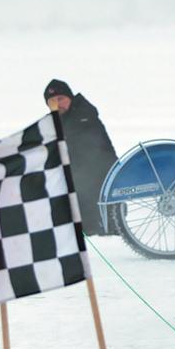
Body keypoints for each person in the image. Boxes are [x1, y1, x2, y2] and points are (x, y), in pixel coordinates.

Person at [43, 79, 120, 236]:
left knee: (97, 230)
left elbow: (77, 144)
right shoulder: (53, 123)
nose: (57, 105)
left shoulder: (83, 114)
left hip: (100, 181)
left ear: (70, 98)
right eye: (52, 102)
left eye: (61, 99)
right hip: (78, 182)